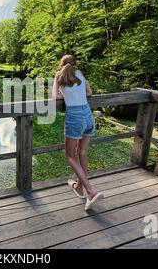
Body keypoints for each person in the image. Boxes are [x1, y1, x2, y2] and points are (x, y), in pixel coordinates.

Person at [52, 55, 104, 211]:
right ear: (75, 64)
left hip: (74, 115)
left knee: (69, 155)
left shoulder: (59, 75)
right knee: (82, 153)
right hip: (87, 114)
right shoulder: (80, 74)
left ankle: (90, 191)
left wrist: (64, 94)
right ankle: (79, 188)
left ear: (61, 65)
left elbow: (55, 96)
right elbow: (89, 92)